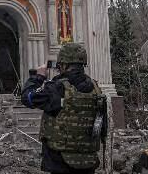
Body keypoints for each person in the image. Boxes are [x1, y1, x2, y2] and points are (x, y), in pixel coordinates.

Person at [20, 42, 108, 173]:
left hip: (60, 161)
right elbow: (102, 127)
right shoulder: (96, 89)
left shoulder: (57, 88)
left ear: (64, 65)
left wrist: (37, 77)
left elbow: (27, 98)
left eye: (60, 65)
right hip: (88, 161)